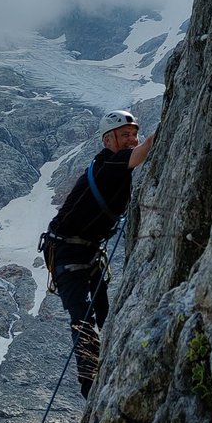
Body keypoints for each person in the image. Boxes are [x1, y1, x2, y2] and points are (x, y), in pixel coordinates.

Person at [40, 110, 154, 398]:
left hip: (83, 251)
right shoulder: (109, 162)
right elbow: (140, 155)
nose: (131, 139)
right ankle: (89, 386)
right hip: (67, 252)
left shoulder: (113, 164)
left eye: (134, 134)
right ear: (108, 140)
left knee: (104, 313)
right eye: (124, 135)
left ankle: (109, 367)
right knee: (83, 318)